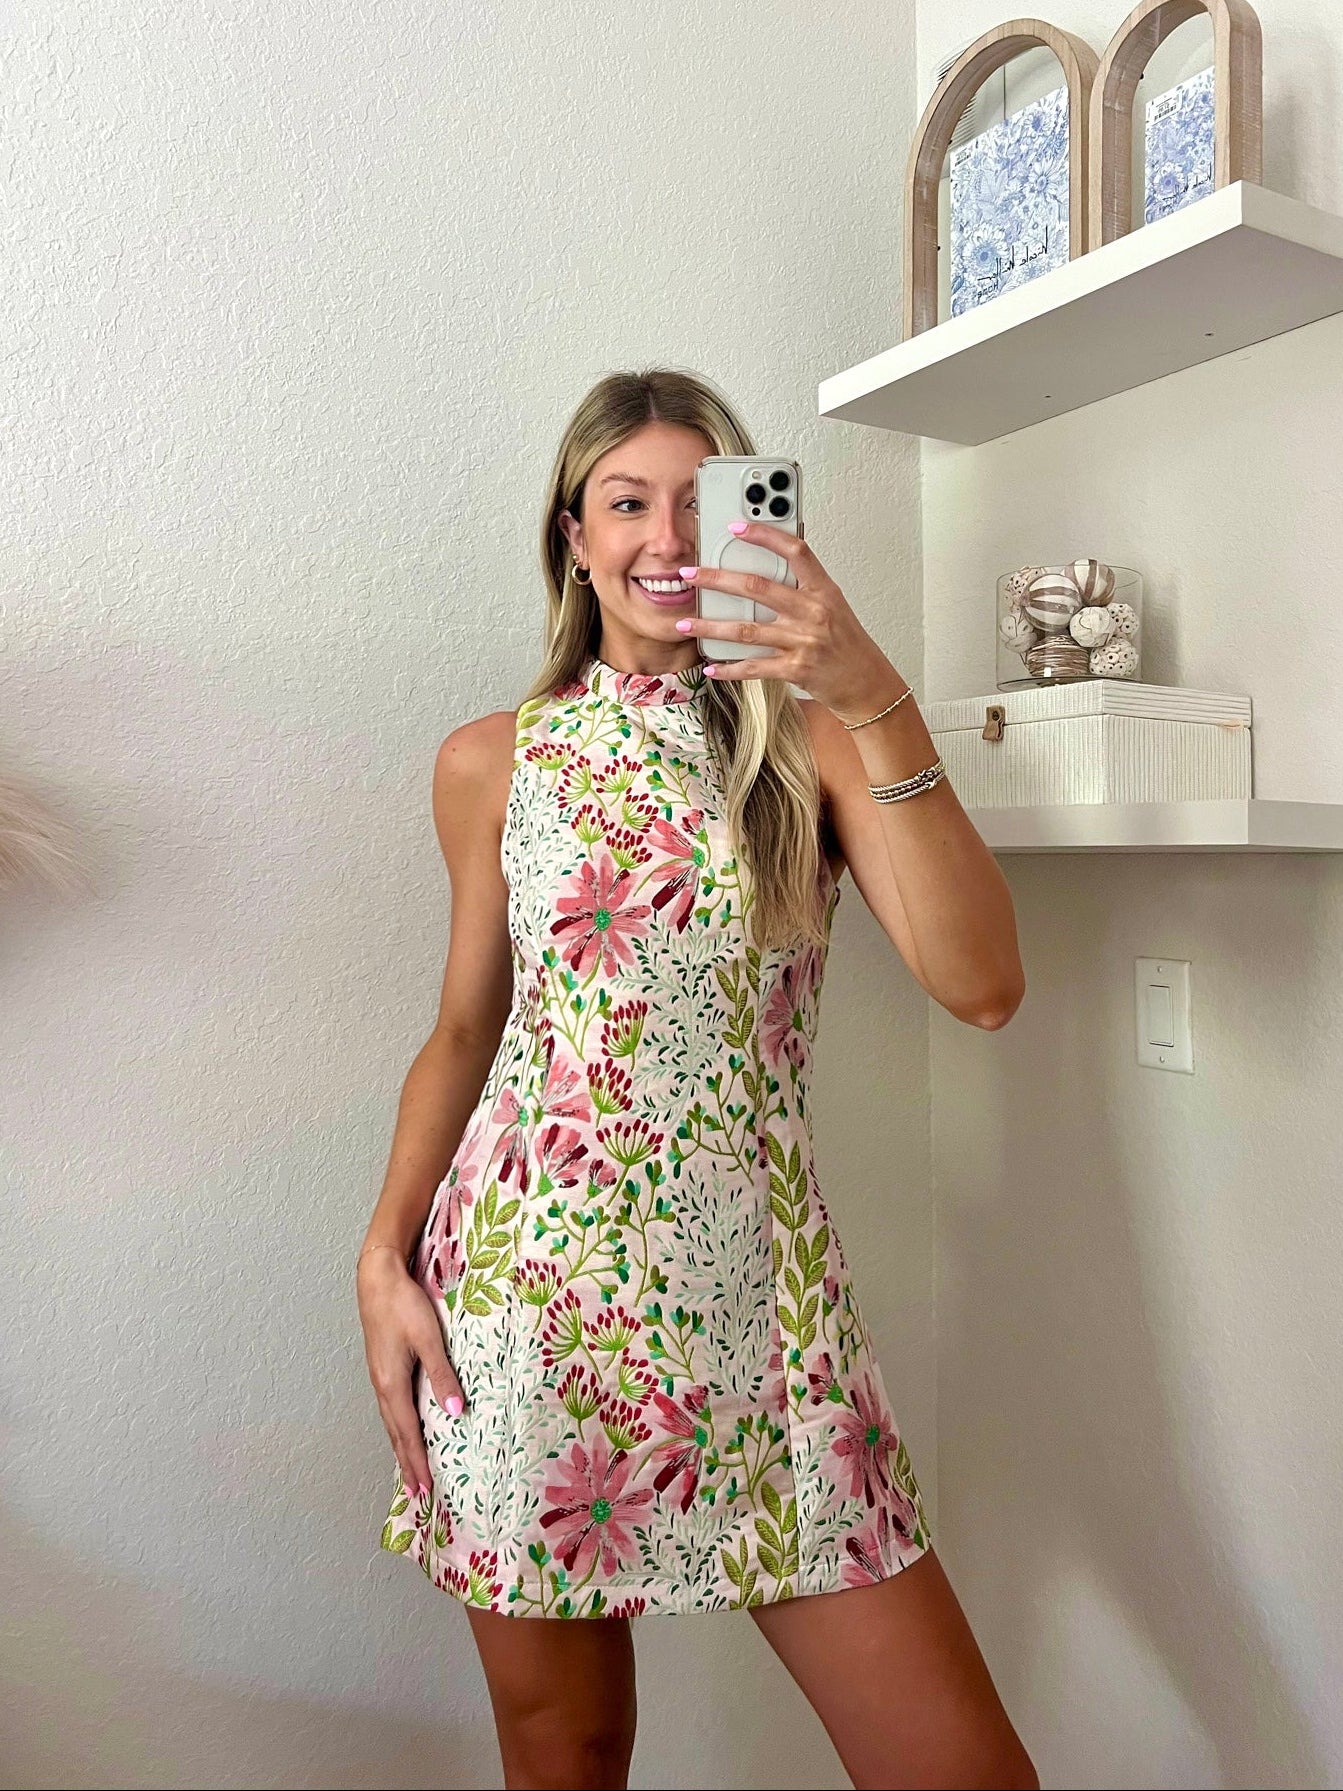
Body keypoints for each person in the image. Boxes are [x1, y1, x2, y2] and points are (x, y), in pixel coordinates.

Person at [356, 367, 1035, 1791]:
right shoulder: (497, 762)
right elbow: (466, 1033)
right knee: (569, 1749)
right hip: (524, 1312)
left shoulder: (820, 748)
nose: (666, 536)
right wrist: (379, 1255)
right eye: (627, 501)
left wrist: (874, 695)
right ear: (574, 533)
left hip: (766, 1322)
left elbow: (983, 988)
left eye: (701, 500)